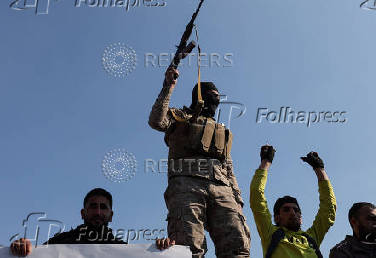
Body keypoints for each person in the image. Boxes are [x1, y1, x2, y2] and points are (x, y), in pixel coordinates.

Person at [148, 67, 250, 257]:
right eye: (211, 97)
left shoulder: (219, 129)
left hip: (223, 189)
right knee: (188, 248)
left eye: (218, 98)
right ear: (199, 98)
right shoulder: (180, 117)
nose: (215, 102)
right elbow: (156, 121)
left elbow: (228, 165)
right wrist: (168, 86)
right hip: (187, 186)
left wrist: (238, 199)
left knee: (237, 246)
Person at [10, 188, 174, 256]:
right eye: (93, 207)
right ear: (83, 213)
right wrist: (23, 248)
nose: (98, 212)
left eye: (103, 208)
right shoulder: (60, 242)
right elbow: (37, 255)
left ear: (111, 215)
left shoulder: (123, 250)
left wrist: (161, 250)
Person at [250, 145, 336, 258]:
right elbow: (257, 196)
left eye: (296, 210)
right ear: (277, 218)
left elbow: (328, 209)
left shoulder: (311, 237)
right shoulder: (270, 233)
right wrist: (266, 162)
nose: (292, 213)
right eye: (286, 210)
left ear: (301, 216)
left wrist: (319, 169)